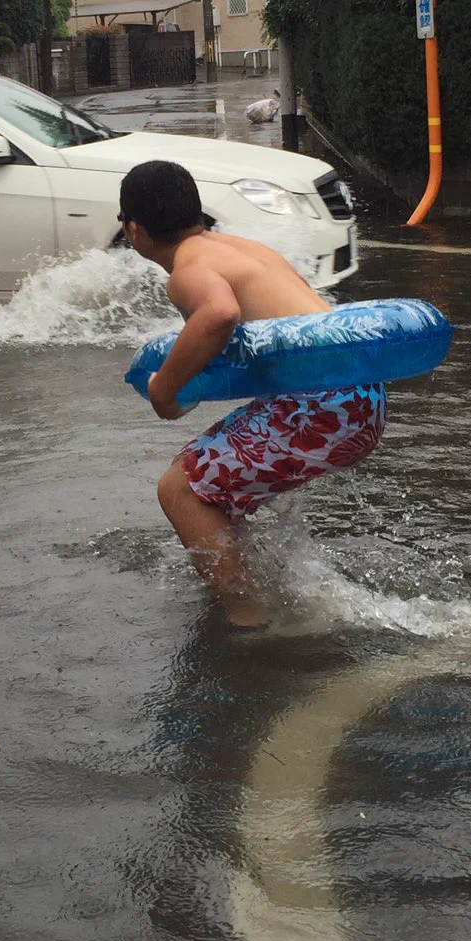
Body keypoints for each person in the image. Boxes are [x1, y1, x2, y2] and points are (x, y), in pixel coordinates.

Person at [119, 159, 386, 628]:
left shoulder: (187, 270)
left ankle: (253, 624)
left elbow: (219, 314)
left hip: (321, 405)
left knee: (179, 490)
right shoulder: (241, 249)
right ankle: (260, 580)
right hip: (361, 396)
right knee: (204, 477)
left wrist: (164, 387)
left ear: (135, 229)